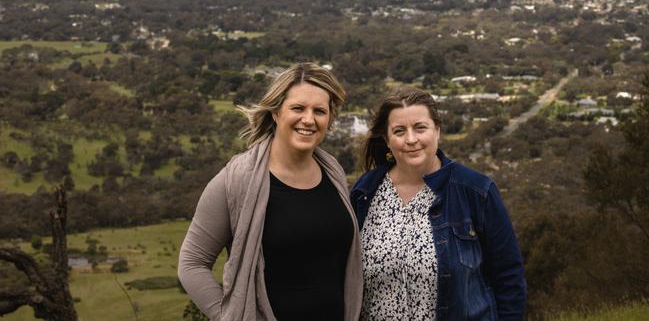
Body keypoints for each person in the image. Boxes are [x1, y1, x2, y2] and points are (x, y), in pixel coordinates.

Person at [178, 63, 362, 321]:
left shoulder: (333, 173)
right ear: (276, 112)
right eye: (298, 108)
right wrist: (229, 316)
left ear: (329, 118)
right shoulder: (236, 180)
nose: (308, 119)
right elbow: (191, 263)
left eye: (319, 111)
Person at [350, 88, 526, 321]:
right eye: (399, 131)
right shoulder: (365, 192)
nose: (411, 139)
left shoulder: (476, 191)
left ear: (437, 130)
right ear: (387, 139)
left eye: (420, 128)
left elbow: (509, 278)